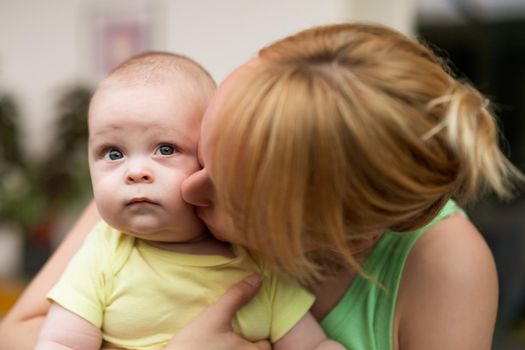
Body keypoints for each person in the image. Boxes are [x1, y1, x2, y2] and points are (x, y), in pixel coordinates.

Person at [1, 22, 523, 350]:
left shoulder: (444, 269)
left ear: (340, 239)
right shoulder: (146, 198)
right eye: (203, 148)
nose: (188, 188)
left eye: (232, 194)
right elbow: (18, 334)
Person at [33, 52, 343, 350]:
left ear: (212, 157)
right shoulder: (104, 252)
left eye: (165, 149)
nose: (136, 172)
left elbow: (313, 345)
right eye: (113, 153)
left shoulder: (256, 260)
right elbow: (60, 344)